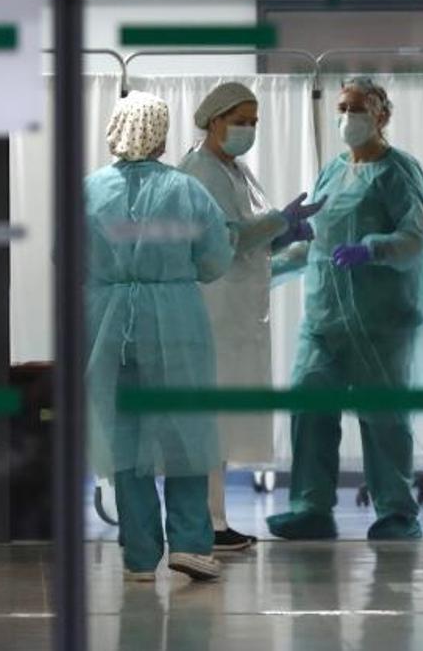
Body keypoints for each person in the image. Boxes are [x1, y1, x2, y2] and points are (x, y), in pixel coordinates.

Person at [266, 77, 423, 541]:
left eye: (358, 108)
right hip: (324, 318)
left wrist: (373, 249)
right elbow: (316, 245)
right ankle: (310, 507)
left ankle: (397, 513)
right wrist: (263, 271)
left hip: (382, 319)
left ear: (381, 115)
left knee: (382, 415)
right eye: (343, 108)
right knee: (309, 402)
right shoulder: (332, 170)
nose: (347, 117)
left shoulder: (399, 172)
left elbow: (418, 237)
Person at [86, 90, 234, 583]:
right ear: (160, 134)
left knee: (124, 439)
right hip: (175, 320)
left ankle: (138, 553)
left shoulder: (88, 191)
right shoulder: (187, 190)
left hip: (108, 324)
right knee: (185, 431)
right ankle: (191, 544)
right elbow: (215, 260)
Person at [178, 82, 324, 552]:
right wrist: (280, 223)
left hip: (235, 314)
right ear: (214, 119)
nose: (248, 130)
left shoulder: (234, 170)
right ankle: (205, 523)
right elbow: (225, 239)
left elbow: (249, 238)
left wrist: (287, 238)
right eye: (241, 120)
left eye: (255, 122)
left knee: (220, 426)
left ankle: (215, 520)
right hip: (212, 311)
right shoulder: (199, 171)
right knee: (209, 424)